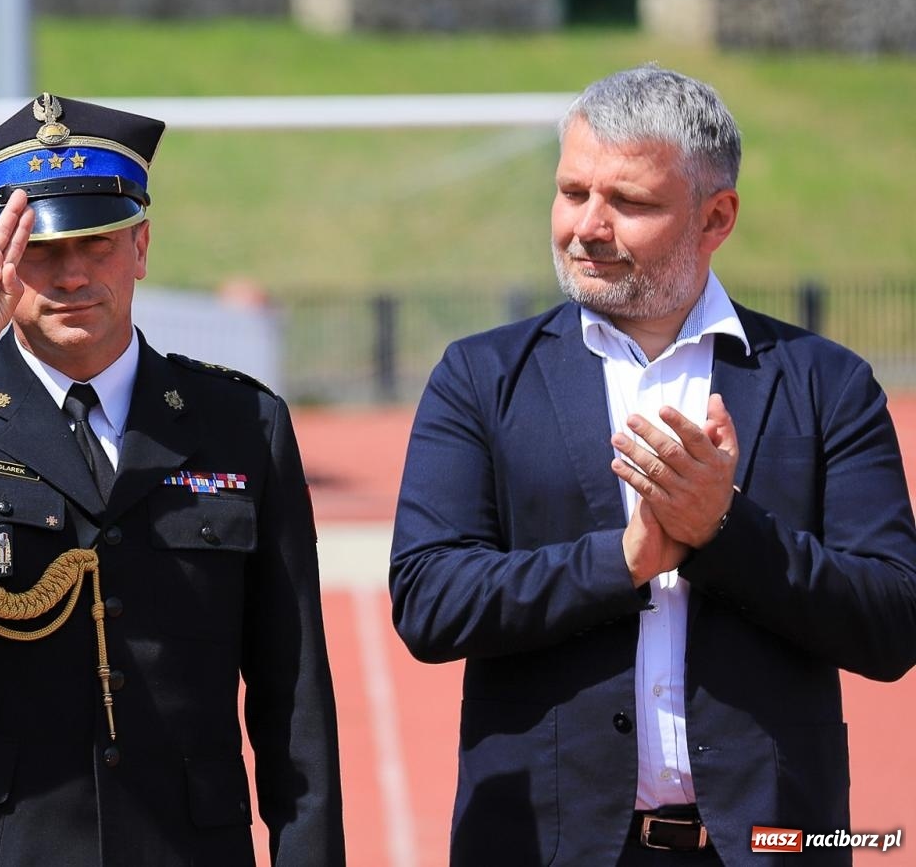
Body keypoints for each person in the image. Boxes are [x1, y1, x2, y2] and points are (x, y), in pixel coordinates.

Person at [389, 64, 916, 865]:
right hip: (543, 847)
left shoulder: (826, 383)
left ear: (717, 217)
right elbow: (429, 602)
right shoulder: (480, 377)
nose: (587, 227)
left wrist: (726, 532)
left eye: (628, 202)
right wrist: (624, 560)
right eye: (572, 192)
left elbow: (891, 623)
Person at [0, 93, 344, 866]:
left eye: (99, 244)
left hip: (178, 846)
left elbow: (296, 701)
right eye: (45, 251)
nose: (75, 275)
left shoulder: (240, 424)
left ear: (142, 247)